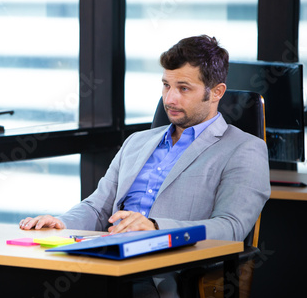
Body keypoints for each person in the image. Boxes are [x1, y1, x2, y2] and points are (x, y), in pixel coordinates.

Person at [19, 35, 271, 297]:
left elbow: (231, 228)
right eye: (166, 85)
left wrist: (155, 227)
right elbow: (98, 206)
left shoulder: (243, 148)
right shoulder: (137, 142)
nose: (170, 99)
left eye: (183, 88)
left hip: (166, 275)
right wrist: (60, 223)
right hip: (109, 265)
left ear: (216, 92)